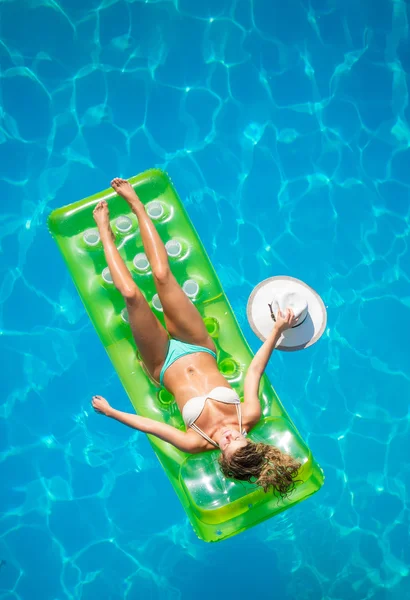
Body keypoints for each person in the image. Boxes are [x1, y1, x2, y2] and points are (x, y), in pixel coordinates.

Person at [92, 178, 301, 497]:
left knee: (132, 295)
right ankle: (137, 206)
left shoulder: (194, 442)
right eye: (238, 440)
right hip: (198, 345)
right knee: (162, 277)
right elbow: (255, 371)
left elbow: (151, 426)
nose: (230, 437)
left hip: (161, 363)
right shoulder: (250, 415)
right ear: (250, 440)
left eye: (227, 446)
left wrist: (111, 412)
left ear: (221, 457)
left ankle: (105, 233)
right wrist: (276, 330)